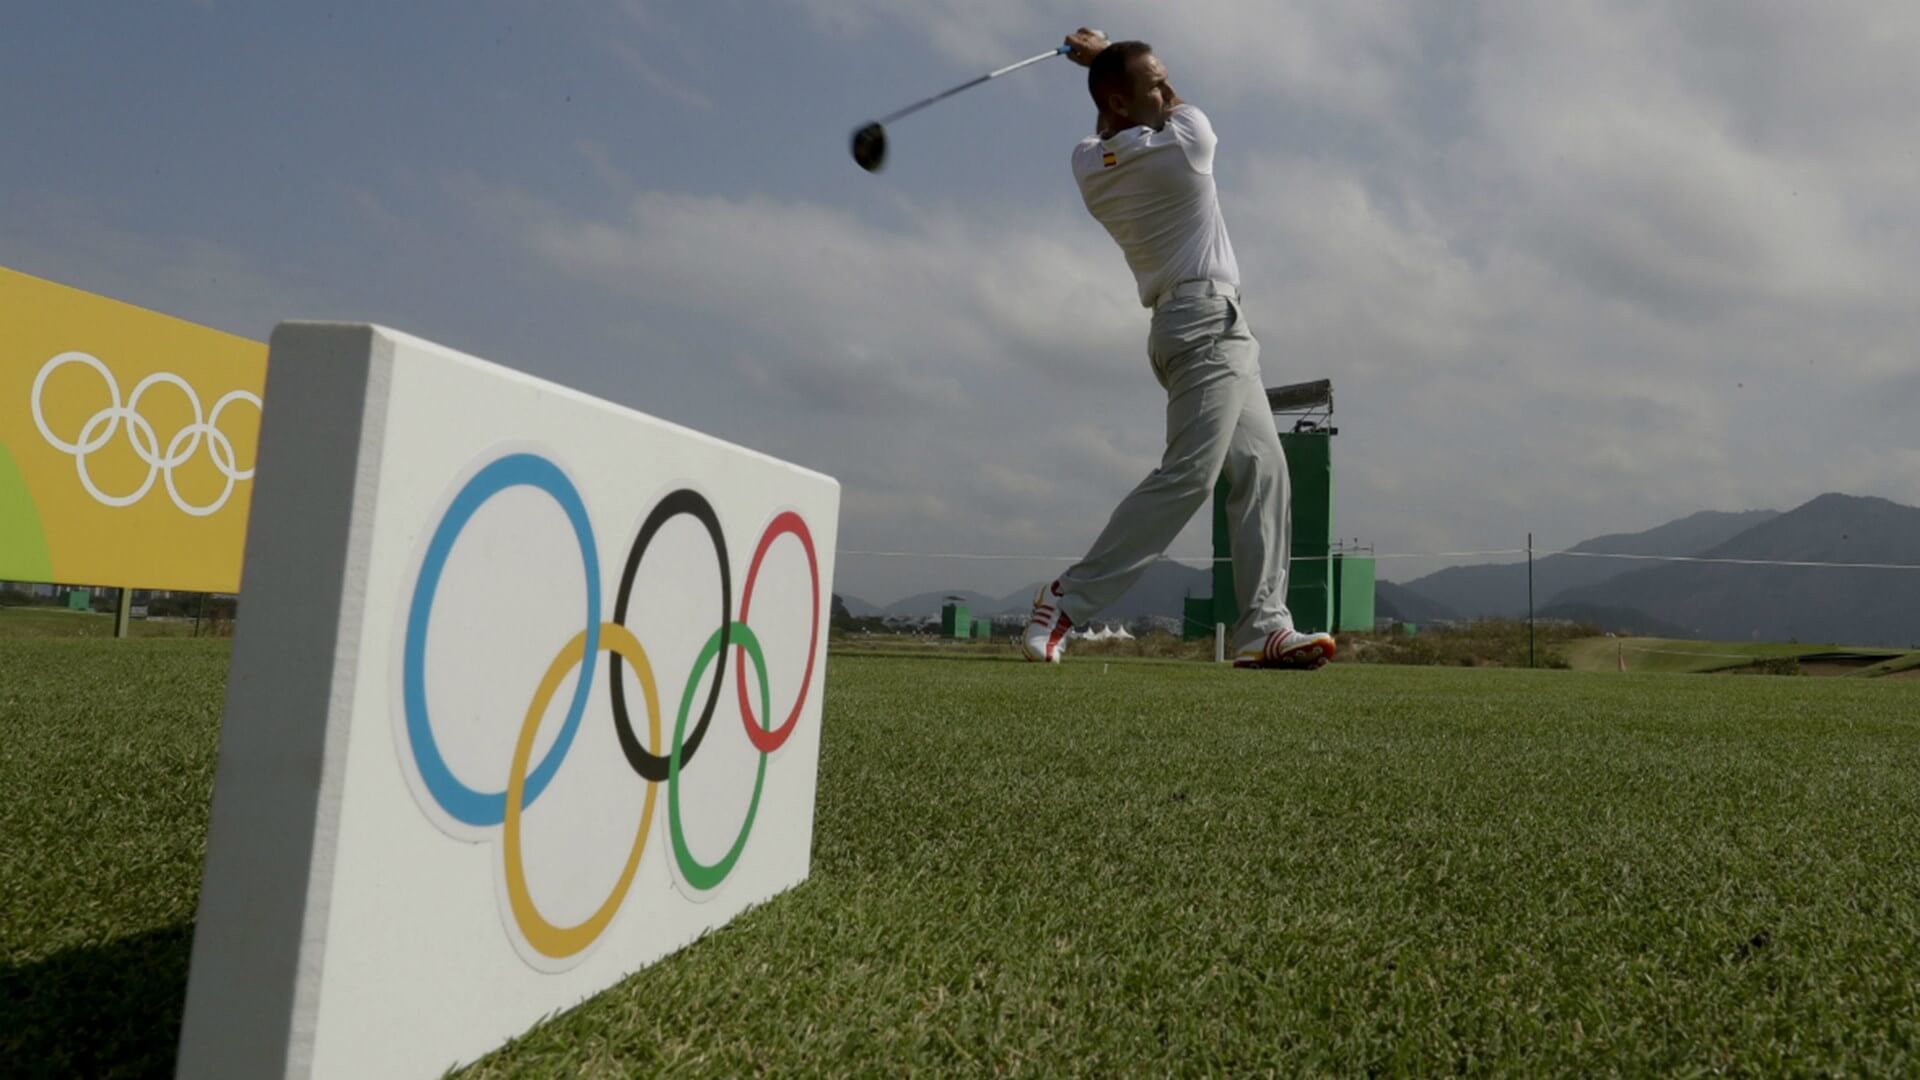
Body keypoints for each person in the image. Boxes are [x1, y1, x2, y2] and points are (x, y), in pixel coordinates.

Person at [1020, 28, 1336, 670]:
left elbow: (1113, 129)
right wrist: (1105, 50)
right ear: (1118, 102)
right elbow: (1179, 111)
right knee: (1190, 474)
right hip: (1203, 322)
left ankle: (1264, 627)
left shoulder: (1087, 165)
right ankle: (1067, 599)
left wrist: (1109, 68)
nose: (1166, 90)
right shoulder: (1188, 144)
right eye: (1153, 83)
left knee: (1263, 470)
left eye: (1165, 79)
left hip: (1198, 325)